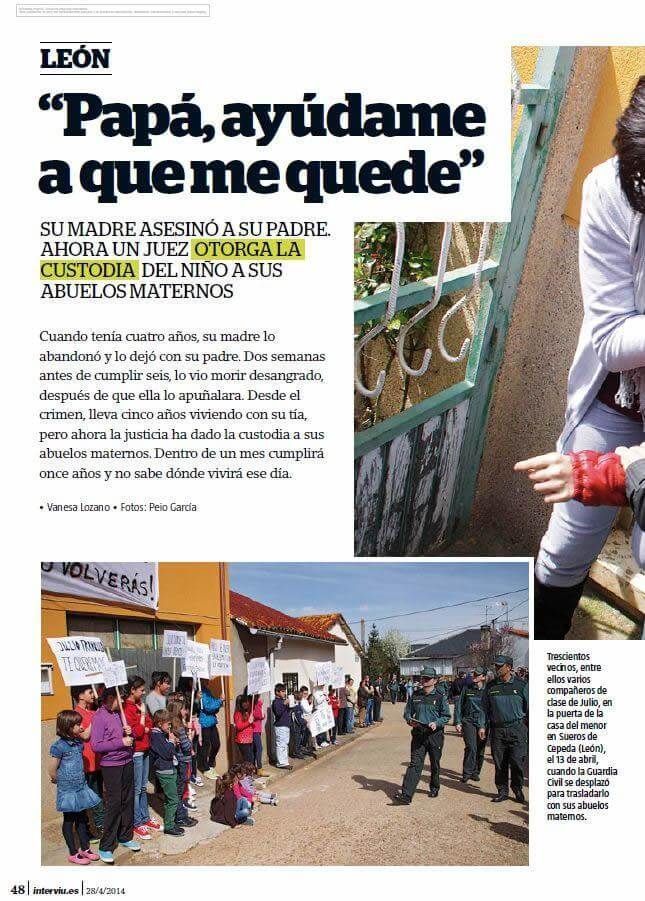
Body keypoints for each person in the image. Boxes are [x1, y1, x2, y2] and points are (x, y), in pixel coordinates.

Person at [518, 78, 645, 639]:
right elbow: (612, 341)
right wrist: (605, 470)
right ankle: (547, 662)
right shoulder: (613, 188)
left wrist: (619, 473)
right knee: (564, 548)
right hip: (619, 396)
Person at [90, 687, 139, 863]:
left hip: (127, 761)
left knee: (127, 800)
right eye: (120, 699)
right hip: (111, 766)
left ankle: (125, 836)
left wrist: (130, 733)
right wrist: (120, 741)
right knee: (114, 803)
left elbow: (129, 738)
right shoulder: (99, 717)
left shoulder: (119, 714)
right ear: (111, 698)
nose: (122, 702)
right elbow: (96, 745)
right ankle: (106, 845)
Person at [48, 710, 102, 865]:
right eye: (77, 724)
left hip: (80, 786)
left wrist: (92, 721)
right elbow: (52, 768)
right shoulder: (59, 746)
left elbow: (86, 735)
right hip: (68, 789)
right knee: (69, 819)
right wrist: (56, 779)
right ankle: (73, 852)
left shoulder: (78, 742)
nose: (81, 726)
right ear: (67, 727)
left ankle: (85, 848)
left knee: (81, 818)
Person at [393, 667, 450, 805]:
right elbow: (407, 712)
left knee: (434, 763)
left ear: (434, 681)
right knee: (415, 764)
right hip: (418, 734)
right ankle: (406, 795)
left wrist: (437, 723)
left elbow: (446, 716)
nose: (423, 681)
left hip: (434, 735)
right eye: (422, 678)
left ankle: (434, 787)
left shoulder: (440, 697)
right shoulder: (416, 695)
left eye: (427, 678)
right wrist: (409, 720)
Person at [480, 655, 529, 804]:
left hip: (517, 728)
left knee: (517, 761)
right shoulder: (491, 686)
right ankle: (502, 791)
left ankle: (517, 788)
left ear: (509, 667)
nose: (497, 669)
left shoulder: (522, 685)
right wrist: (482, 725)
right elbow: (484, 708)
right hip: (498, 730)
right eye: (495, 666)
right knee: (500, 762)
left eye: (500, 666)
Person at [123, 677, 159, 841]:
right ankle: (136, 822)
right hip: (136, 751)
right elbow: (136, 732)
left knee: (143, 787)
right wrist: (143, 716)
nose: (144, 693)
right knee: (137, 789)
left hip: (145, 749)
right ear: (132, 690)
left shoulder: (139, 705)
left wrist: (144, 725)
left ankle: (144, 818)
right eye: (141, 690)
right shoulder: (127, 708)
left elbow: (150, 726)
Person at [72, 685, 105, 842]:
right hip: (87, 764)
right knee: (92, 797)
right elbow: (84, 735)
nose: (93, 695)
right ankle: (97, 829)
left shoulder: (93, 711)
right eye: (90, 692)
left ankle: (100, 826)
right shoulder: (75, 714)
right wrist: (96, 718)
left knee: (99, 795)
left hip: (99, 761)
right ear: (80, 695)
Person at [149, 709, 184, 837]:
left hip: (170, 769)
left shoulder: (162, 735)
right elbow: (166, 753)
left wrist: (174, 743)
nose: (170, 726)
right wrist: (170, 742)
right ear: (159, 723)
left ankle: (171, 821)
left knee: (170, 799)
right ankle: (169, 826)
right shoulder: (156, 736)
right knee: (173, 799)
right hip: (165, 771)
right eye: (167, 724)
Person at [167, 698, 198, 829]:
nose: (186, 711)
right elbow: (186, 746)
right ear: (179, 710)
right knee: (180, 791)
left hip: (178, 761)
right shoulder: (179, 727)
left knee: (180, 790)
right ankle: (180, 817)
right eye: (184, 709)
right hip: (183, 762)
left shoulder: (174, 725)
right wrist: (190, 736)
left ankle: (181, 815)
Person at [454, 667, 487, 783]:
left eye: (477, 675)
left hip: (483, 722)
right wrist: (458, 721)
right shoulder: (466, 688)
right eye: (474, 675)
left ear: (483, 677)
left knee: (480, 748)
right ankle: (467, 772)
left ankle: (476, 772)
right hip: (468, 720)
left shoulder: (487, 690)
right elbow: (459, 705)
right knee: (471, 747)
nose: (474, 677)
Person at [197, 679, 223, 780]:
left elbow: (213, 705)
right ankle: (205, 768)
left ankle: (210, 764)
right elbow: (207, 707)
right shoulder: (200, 692)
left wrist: (218, 703)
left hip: (212, 721)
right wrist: (220, 700)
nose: (208, 681)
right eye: (205, 679)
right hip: (204, 723)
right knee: (205, 746)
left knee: (216, 744)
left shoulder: (207, 690)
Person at [272, 683, 293, 769]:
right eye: (282, 691)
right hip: (280, 726)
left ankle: (284, 761)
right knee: (281, 744)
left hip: (285, 725)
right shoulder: (276, 702)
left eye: (284, 691)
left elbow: (286, 711)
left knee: (285, 744)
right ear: (277, 692)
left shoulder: (282, 701)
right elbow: (278, 712)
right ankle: (281, 763)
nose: (284, 693)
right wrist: (284, 704)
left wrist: (290, 705)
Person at [233, 694, 255, 763]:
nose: (247, 703)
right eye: (244, 702)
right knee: (248, 760)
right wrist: (249, 722)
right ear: (240, 703)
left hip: (248, 739)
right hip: (243, 740)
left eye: (247, 701)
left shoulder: (247, 712)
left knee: (250, 759)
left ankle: (250, 773)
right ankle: (247, 773)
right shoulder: (238, 713)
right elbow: (239, 726)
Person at [251, 694, 267, 775]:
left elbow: (263, 716)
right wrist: (260, 704)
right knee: (259, 748)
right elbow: (258, 715)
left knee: (255, 749)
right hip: (254, 730)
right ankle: (259, 768)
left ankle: (254, 768)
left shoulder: (258, 703)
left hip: (258, 729)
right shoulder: (253, 704)